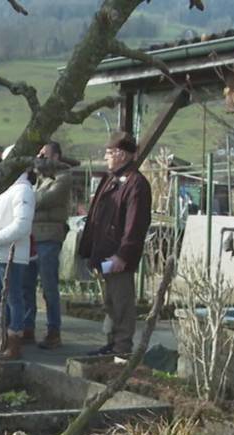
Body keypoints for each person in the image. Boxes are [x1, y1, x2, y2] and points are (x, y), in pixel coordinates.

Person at [78, 131, 152, 355]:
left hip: (118, 258)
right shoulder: (110, 179)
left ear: (121, 154)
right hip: (103, 254)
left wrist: (123, 255)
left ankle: (121, 349)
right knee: (110, 303)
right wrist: (89, 250)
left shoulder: (136, 184)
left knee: (121, 303)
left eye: (109, 152)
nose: (106, 156)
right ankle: (111, 344)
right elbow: (95, 217)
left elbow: (135, 225)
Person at [0, 145, 35, 360]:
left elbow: (22, 225)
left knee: (13, 299)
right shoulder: (10, 188)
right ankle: (1, 340)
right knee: (3, 299)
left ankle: (13, 343)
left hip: (10, 252)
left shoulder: (23, 190)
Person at [28, 141, 74, 350]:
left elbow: (44, 200)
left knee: (49, 287)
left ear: (56, 157)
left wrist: (29, 201)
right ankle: (27, 328)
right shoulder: (38, 178)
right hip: (31, 237)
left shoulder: (63, 177)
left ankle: (53, 331)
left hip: (49, 238)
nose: (40, 157)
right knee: (26, 286)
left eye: (44, 154)